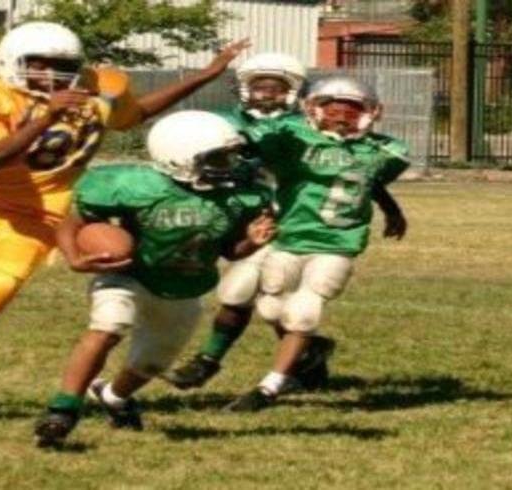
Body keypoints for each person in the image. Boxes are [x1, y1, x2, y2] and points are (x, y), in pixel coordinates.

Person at [0, 21, 249, 409]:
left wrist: (206, 74)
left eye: (61, 65)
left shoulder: (100, 86)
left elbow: (135, 113)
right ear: (11, 61)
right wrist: (46, 118)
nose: (50, 74)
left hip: (42, 210)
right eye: (38, 64)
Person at [164, 56, 406, 392]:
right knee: (243, 295)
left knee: (260, 296)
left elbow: (354, 172)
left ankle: (219, 361)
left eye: (276, 88)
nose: (266, 94)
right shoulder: (225, 122)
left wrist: (389, 207)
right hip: (249, 214)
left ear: (295, 92)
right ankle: (302, 356)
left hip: (288, 219)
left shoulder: (304, 126)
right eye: (258, 86)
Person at [34, 110, 275, 447]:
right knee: (108, 327)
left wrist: (252, 241)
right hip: (130, 274)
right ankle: (62, 410)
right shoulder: (136, 187)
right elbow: (73, 221)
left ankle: (115, 397)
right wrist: (75, 256)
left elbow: (231, 252)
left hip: (184, 289)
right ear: (178, 159)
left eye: (231, 156)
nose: (230, 164)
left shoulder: (238, 196)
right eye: (218, 158)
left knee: (151, 363)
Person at [223, 75, 411, 411]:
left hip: (336, 243)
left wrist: (390, 207)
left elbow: (366, 179)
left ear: (370, 113)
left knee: (303, 311)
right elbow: (251, 142)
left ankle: (269, 387)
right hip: (289, 237)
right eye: (331, 109)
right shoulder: (294, 138)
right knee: (270, 308)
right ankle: (311, 354)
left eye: (350, 111)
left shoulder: (384, 150)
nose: (340, 117)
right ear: (311, 109)